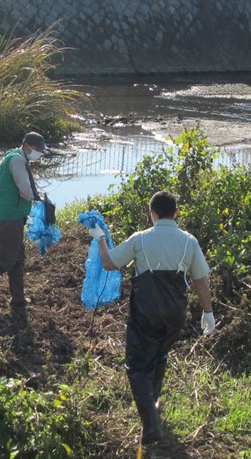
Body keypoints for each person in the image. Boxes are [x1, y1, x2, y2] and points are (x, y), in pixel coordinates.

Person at [90, 190, 214, 444]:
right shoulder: (190, 242)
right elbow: (200, 280)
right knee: (160, 355)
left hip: (146, 312)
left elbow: (109, 263)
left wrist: (101, 238)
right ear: (176, 213)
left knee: (137, 366)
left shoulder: (141, 239)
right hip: (175, 314)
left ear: (152, 213)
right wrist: (208, 312)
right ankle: (154, 404)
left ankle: (150, 425)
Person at [0, 131, 49, 311]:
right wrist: (39, 199)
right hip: (7, 217)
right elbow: (25, 190)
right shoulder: (17, 160)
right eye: (38, 150)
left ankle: (18, 299)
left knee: (17, 259)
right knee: (4, 260)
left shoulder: (16, 157)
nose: (39, 154)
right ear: (28, 146)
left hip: (9, 215)